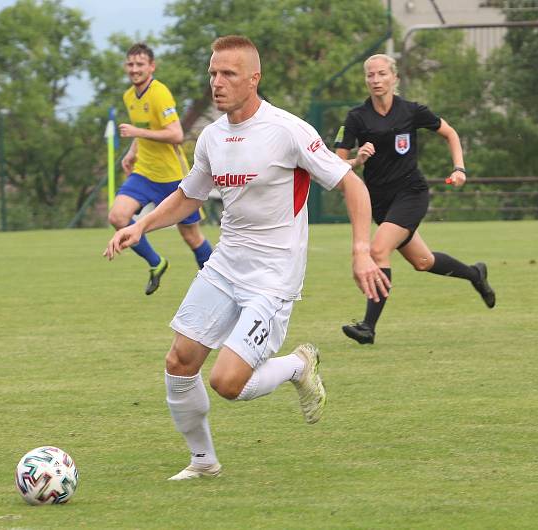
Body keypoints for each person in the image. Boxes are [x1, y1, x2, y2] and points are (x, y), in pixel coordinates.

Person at [105, 35, 388, 480]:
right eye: (213, 73)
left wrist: (361, 250)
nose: (217, 83)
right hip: (225, 265)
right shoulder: (212, 138)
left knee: (227, 383)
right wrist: (140, 224)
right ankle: (203, 462)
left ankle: (298, 364)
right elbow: (187, 195)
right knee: (179, 363)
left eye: (228, 74)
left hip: (274, 278)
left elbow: (352, 184)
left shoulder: (288, 130)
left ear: (253, 79)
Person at [334, 53, 496, 345]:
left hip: (412, 193)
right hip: (381, 203)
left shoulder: (411, 111)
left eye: (382, 74)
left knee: (378, 250)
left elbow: (451, 133)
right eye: (370, 75)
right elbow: (336, 165)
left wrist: (459, 168)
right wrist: (357, 160)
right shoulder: (356, 118)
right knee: (424, 261)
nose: (376, 80)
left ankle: (368, 328)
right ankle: (475, 274)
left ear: (394, 78)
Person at [108, 43, 213, 295]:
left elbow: (176, 134)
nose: (134, 69)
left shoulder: (160, 93)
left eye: (140, 64)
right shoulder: (129, 96)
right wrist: (132, 152)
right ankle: (156, 263)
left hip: (172, 176)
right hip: (144, 172)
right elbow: (144, 128)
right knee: (118, 217)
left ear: (151, 67)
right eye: (130, 64)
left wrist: (136, 133)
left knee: (192, 238)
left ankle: (218, 284)